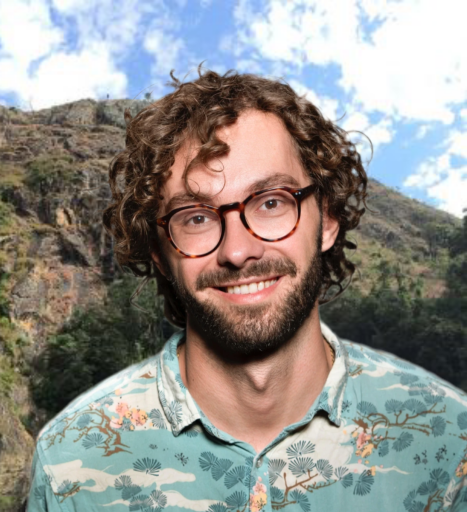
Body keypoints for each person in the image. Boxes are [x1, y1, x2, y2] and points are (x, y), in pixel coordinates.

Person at [26, 68, 467, 512]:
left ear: (328, 219)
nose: (238, 251)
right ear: (159, 253)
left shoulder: (450, 440)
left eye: (272, 202)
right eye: (196, 217)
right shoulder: (69, 463)